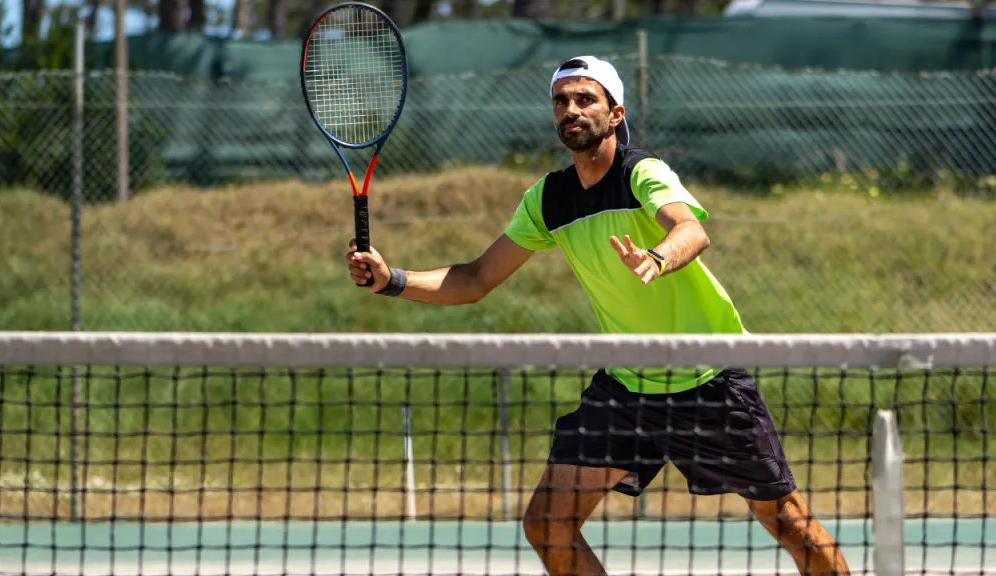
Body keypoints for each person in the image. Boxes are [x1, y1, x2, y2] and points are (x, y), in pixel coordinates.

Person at [345, 55, 850, 576]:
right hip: (627, 387)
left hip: (710, 377)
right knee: (547, 525)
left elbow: (690, 229)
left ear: (614, 114)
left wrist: (657, 257)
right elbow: (475, 279)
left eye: (585, 98)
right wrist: (393, 280)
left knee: (787, 520)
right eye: (561, 100)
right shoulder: (549, 199)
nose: (571, 109)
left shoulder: (642, 173)